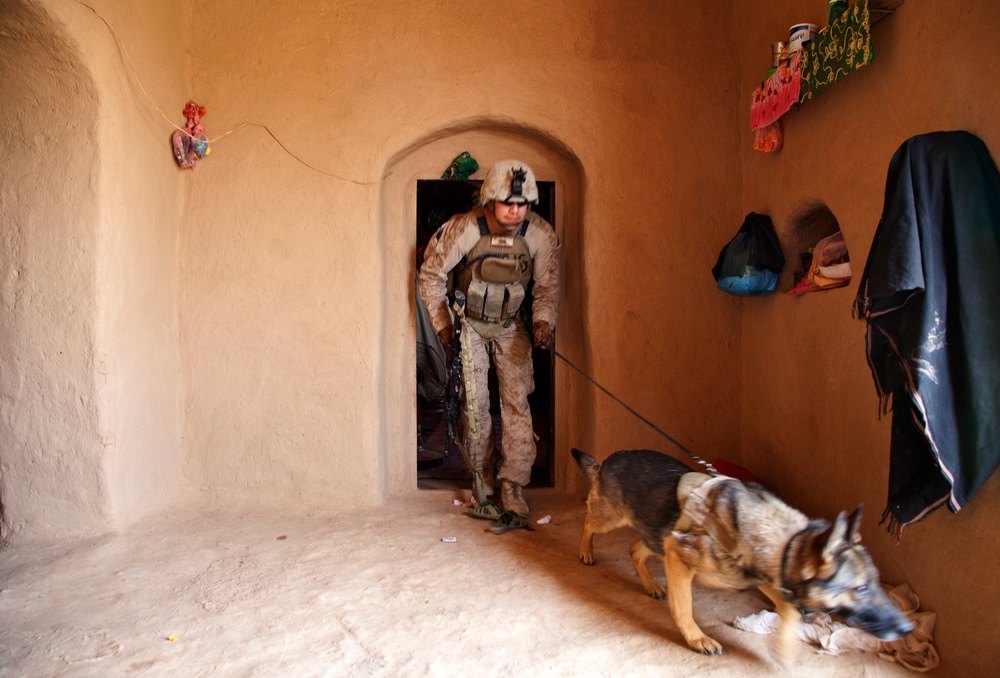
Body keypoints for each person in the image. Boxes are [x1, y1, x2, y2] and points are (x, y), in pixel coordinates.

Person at [418, 160, 560, 519]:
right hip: (469, 326)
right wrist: (443, 324)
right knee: (475, 407)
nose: (515, 210)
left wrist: (543, 321)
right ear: (488, 200)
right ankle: (483, 480)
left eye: (523, 203)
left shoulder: (539, 234)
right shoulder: (463, 229)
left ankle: (513, 484)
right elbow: (431, 275)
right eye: (507, 202)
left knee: (516, 405)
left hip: (512, 325)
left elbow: (547, 285)